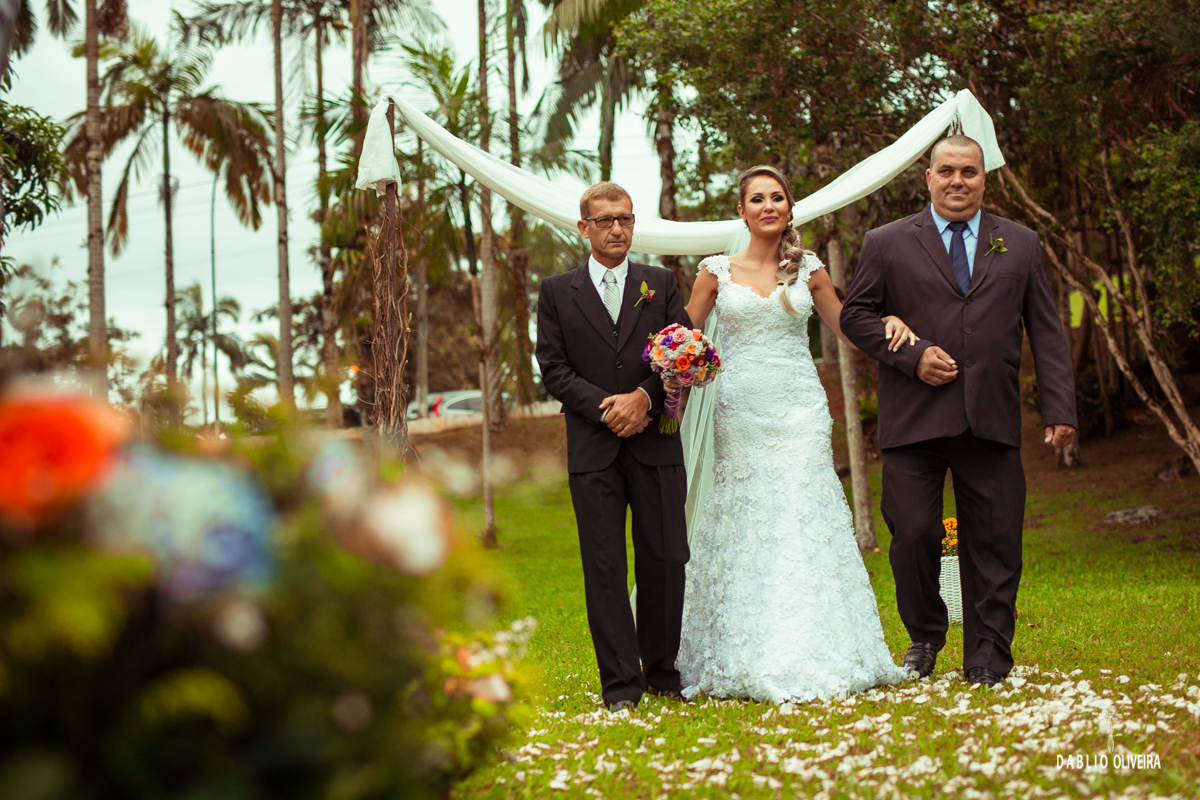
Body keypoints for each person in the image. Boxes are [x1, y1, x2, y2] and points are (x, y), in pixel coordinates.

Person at [840, 135, 1077, 688]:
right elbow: (856, 317)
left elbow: (1046, 330)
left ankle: (988, 656)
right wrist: (912, 355)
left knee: (995, 541)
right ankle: (925, 633)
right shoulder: (886, 242)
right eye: (946, 171)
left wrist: (1059, 407)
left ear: (984, 178)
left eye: (968, 171)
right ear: (928, 177)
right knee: (914, 533)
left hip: (990, 416)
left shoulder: (1020, 243)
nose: (957, 181)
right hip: (913, 417)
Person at [675, 165, 914, 703]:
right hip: (740, 409)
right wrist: (678, 365)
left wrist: (891, 322)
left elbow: (849, 327)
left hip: (800, 409)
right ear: (741, 211)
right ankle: (739, 645)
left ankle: (819, 644)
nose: (768, 206)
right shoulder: (714, 272)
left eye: (777, 198)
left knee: (804, 511)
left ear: (789, 208)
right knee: (746, 515)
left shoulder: (808, 268)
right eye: (757, 199)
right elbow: (681, 339)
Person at [535, 182, 693, 713]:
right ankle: (621, 685)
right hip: (593, 448)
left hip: (656, 445)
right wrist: (609, 408)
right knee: (604, 567)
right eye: (605, 220)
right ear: (584, 228)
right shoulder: (556, 291)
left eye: (624, 218)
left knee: (666, 559)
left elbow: (683, 352)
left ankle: (663, 674)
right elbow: (553, 368)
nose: (617, 228)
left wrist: (644, 398)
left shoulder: (659, 283)